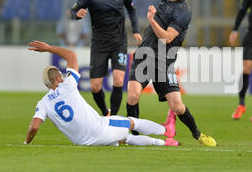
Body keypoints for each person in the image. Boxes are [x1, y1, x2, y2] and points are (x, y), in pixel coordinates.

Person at [24, 40, 178, 147]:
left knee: (126, 138)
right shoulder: (68, 85)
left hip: (84, 142)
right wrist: (48, 48)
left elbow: (34, 127)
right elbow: (71, 56)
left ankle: (165, 143)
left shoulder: (43, 103)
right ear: (58, 78)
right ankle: (166, 131)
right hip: (99, 128)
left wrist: (27, 142)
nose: (64, 77)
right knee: (131, 122)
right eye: (61, 75)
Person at [125, 0, 217, 147]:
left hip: (163, 63)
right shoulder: (164, 3)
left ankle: (198, 135)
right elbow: (153, 32)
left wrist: (151, 20)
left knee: (177, 106)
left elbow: (166, 37)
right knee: (133, 96)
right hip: (144, 57)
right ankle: (135, 137)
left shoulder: (183, 11)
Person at [70, 0, 142, 117]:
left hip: (119, 43)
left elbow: (132, 10)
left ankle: (114, 118)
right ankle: (106, 112)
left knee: (118, 79)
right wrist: (77, 15)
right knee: (95, 86)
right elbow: (72, 11)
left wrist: (136, 31)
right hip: (99, 44)